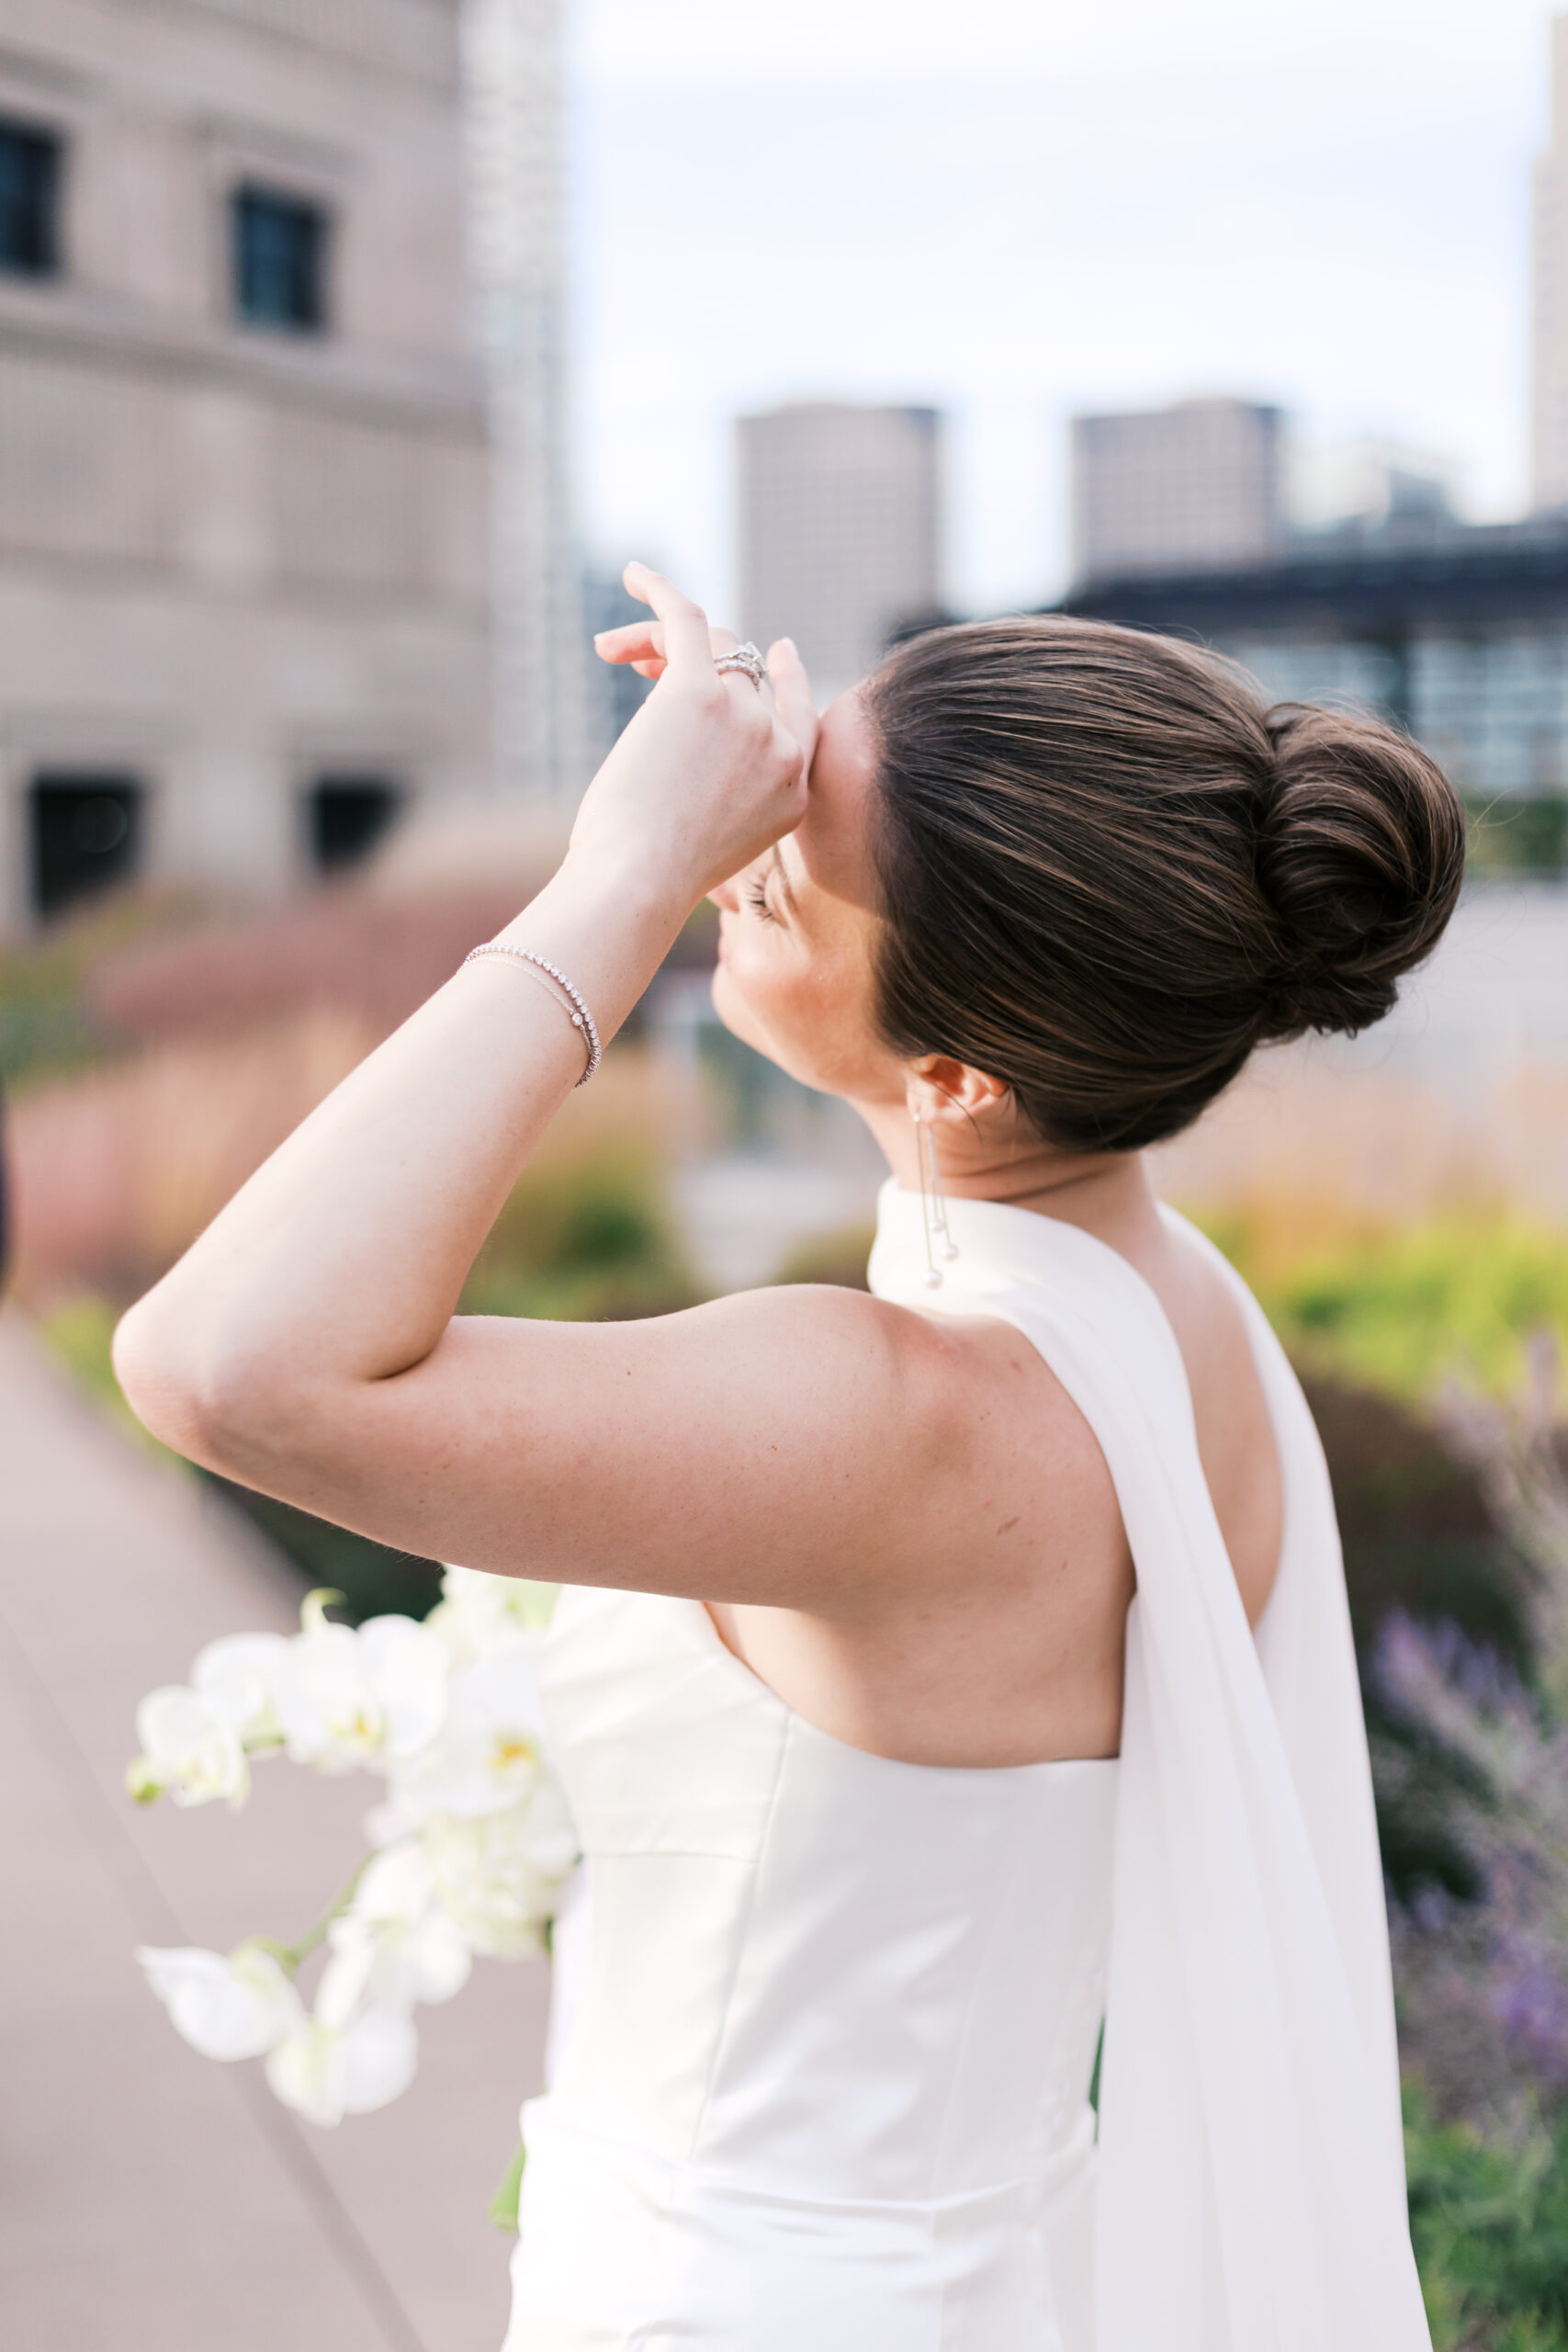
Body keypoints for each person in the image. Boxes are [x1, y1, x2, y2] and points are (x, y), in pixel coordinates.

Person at [114, 564, 1464, 2352]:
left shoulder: (881, 1412)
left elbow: (224, 1367)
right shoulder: (1176, 1316)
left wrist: (610, 881)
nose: (733, 845)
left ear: (960, 1070)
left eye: (778, 848)